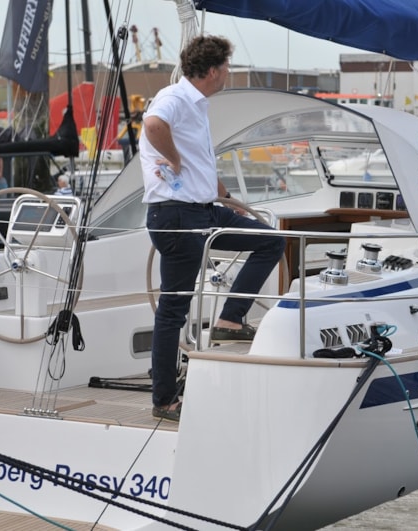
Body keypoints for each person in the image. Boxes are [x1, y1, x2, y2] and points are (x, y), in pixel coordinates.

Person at [140, 35, 286, 422]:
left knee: (271, 241)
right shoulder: (175, 97)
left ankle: (229, 320)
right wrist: (174, 160)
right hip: (177, 216)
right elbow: (153, 125)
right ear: (211, 71)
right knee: (173, 309)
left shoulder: (197, 104)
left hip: (205, 211)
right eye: (225, 67)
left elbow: (200, 160)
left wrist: (228, 198)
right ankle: (164, 400)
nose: (228, 73)